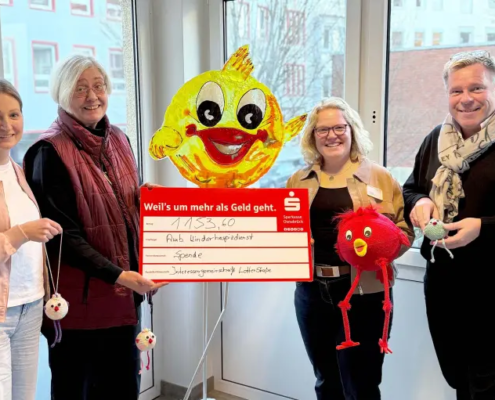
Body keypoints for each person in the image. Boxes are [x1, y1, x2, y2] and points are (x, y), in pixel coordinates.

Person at [23, 55, 167, 400]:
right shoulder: (48, 152)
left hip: (124, 300)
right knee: (79, 391)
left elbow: (107, 204)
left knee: (123, 389)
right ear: (62, 93)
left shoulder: (119, 139)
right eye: (80, 88)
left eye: (99, 86)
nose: (92, 96)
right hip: (79, 308)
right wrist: (120, 276)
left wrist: (142, 197)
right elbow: (62, 237)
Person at [287, 97, 414, 400]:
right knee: (326, 380)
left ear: (352, 130)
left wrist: (378, 250)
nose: (331, 135)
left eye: (339, 128)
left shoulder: (380, 177)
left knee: (362, 385)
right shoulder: (298, 180)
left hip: (365, 293)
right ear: (312, 136)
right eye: (322, 129)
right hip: (312, 291)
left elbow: (405, 231)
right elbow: (284, 230)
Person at [402, 50, 495, 399]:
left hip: (490, 285)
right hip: (443, 281)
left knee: (486, 382)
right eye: (456, 90)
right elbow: (411, 188)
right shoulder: (435, 140)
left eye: (477, 88)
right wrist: (420, 202)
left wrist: (482, 227)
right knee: (457, 376)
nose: (466, 98)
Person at [0, 79, 63, 400]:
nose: (6, 125)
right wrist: (23, 233)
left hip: (31, 304)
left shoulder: (17, 170)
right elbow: (20, 234)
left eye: (13, 115)